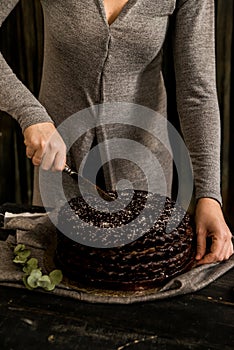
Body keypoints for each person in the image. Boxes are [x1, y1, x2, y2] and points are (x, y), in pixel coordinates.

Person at [0, 0, 233, 265]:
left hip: (146, 171)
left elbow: (197, 92)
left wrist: (209, 195)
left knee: (139, 278)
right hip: (59, 166)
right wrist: (30, 113)